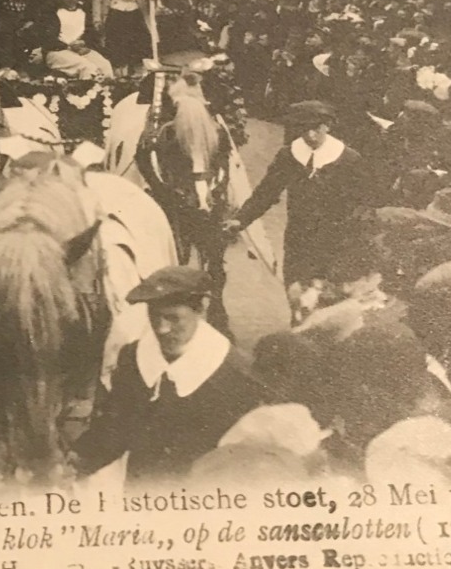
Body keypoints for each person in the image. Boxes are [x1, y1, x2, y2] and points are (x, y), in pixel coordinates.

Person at [73, 266, 262, 482]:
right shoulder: (133, 357)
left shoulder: (235, 374)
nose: (161, 328)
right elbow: (115, 428)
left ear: (201, 308)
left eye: (173, 318)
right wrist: (78, 460)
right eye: (154, 317)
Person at [224, 100, 366, 289]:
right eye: (303, 129)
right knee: (295, 290)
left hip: (335, 241)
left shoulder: (349, 159)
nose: (310, 135)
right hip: (298, 237)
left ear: (327, 126)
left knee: (327, 295)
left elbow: (361, 203)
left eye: (316, 129)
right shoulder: (289, 155)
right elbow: (267, 192)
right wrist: (241, 219)